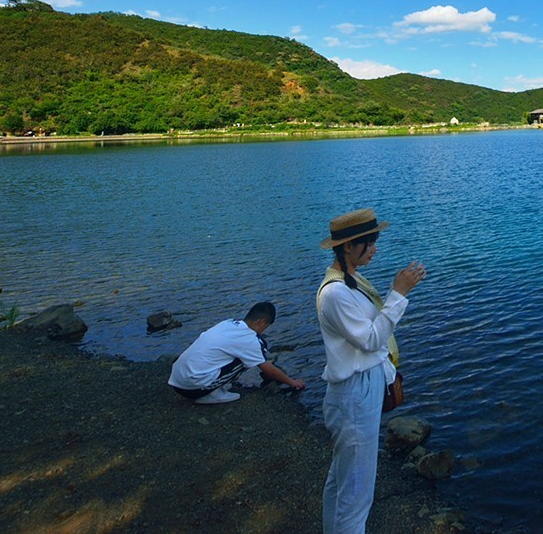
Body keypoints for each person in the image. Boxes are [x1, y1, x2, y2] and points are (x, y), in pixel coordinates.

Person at [316, 208, 426, 534]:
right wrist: (398, 295)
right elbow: (370, 339)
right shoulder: (336, 293)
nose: (375, 249)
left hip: (359, 387)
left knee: (343, 478)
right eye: (370, 242)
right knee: (357, 490)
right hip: (354, 392)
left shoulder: (350, 282)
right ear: (347, 247)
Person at [168, 302, 306, 404]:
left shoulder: (227, 323)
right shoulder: (249, 340)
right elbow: (267, 369)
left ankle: (215, 384)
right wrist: (292, 382)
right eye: (266, 326)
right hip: (191, 388)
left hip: (177, 380)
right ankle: (212, 394)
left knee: (242, 353)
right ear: (261, 322)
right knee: (251, 354)